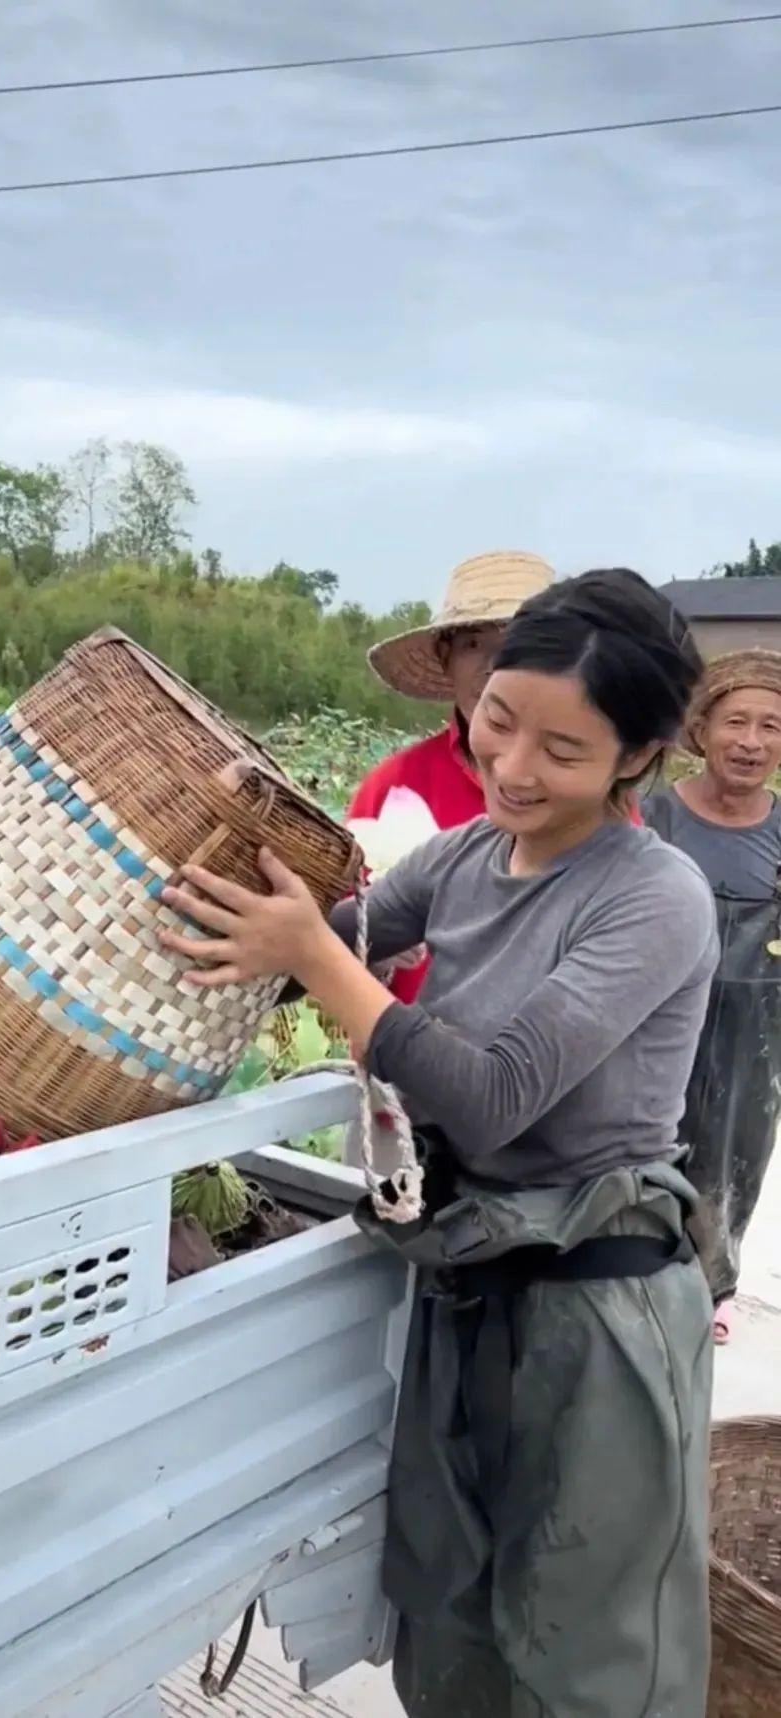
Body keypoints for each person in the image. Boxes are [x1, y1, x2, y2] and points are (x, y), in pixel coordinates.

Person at [161, 568, 718, 1717]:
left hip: (597, 1312)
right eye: (500, 720)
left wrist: (317, 957)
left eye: (563, 750)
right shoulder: (463, 857)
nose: (514, 766)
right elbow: (324, 938)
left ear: (637, 755)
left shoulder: (653, 895)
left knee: (584, 1650)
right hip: (468, 1281)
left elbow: (494, 1094)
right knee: (449, 1612)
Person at [642, 648, 781, 1346]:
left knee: (737, 1149)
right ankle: (642, 1273)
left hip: (756, 1023)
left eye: (770, 726)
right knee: (650, 1141)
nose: (751, 742)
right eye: (735, 722)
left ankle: (713, 1283)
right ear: (701, 729)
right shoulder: (655, 815)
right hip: (658, 1011)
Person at [349, 550, 556, 1003]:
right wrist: (376, 955)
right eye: (473, 645)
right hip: (399, 1041)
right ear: (446, 659)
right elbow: (338, 945)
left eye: (516, 643)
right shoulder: (392, 786)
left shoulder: (590, 795)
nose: (493, 666)